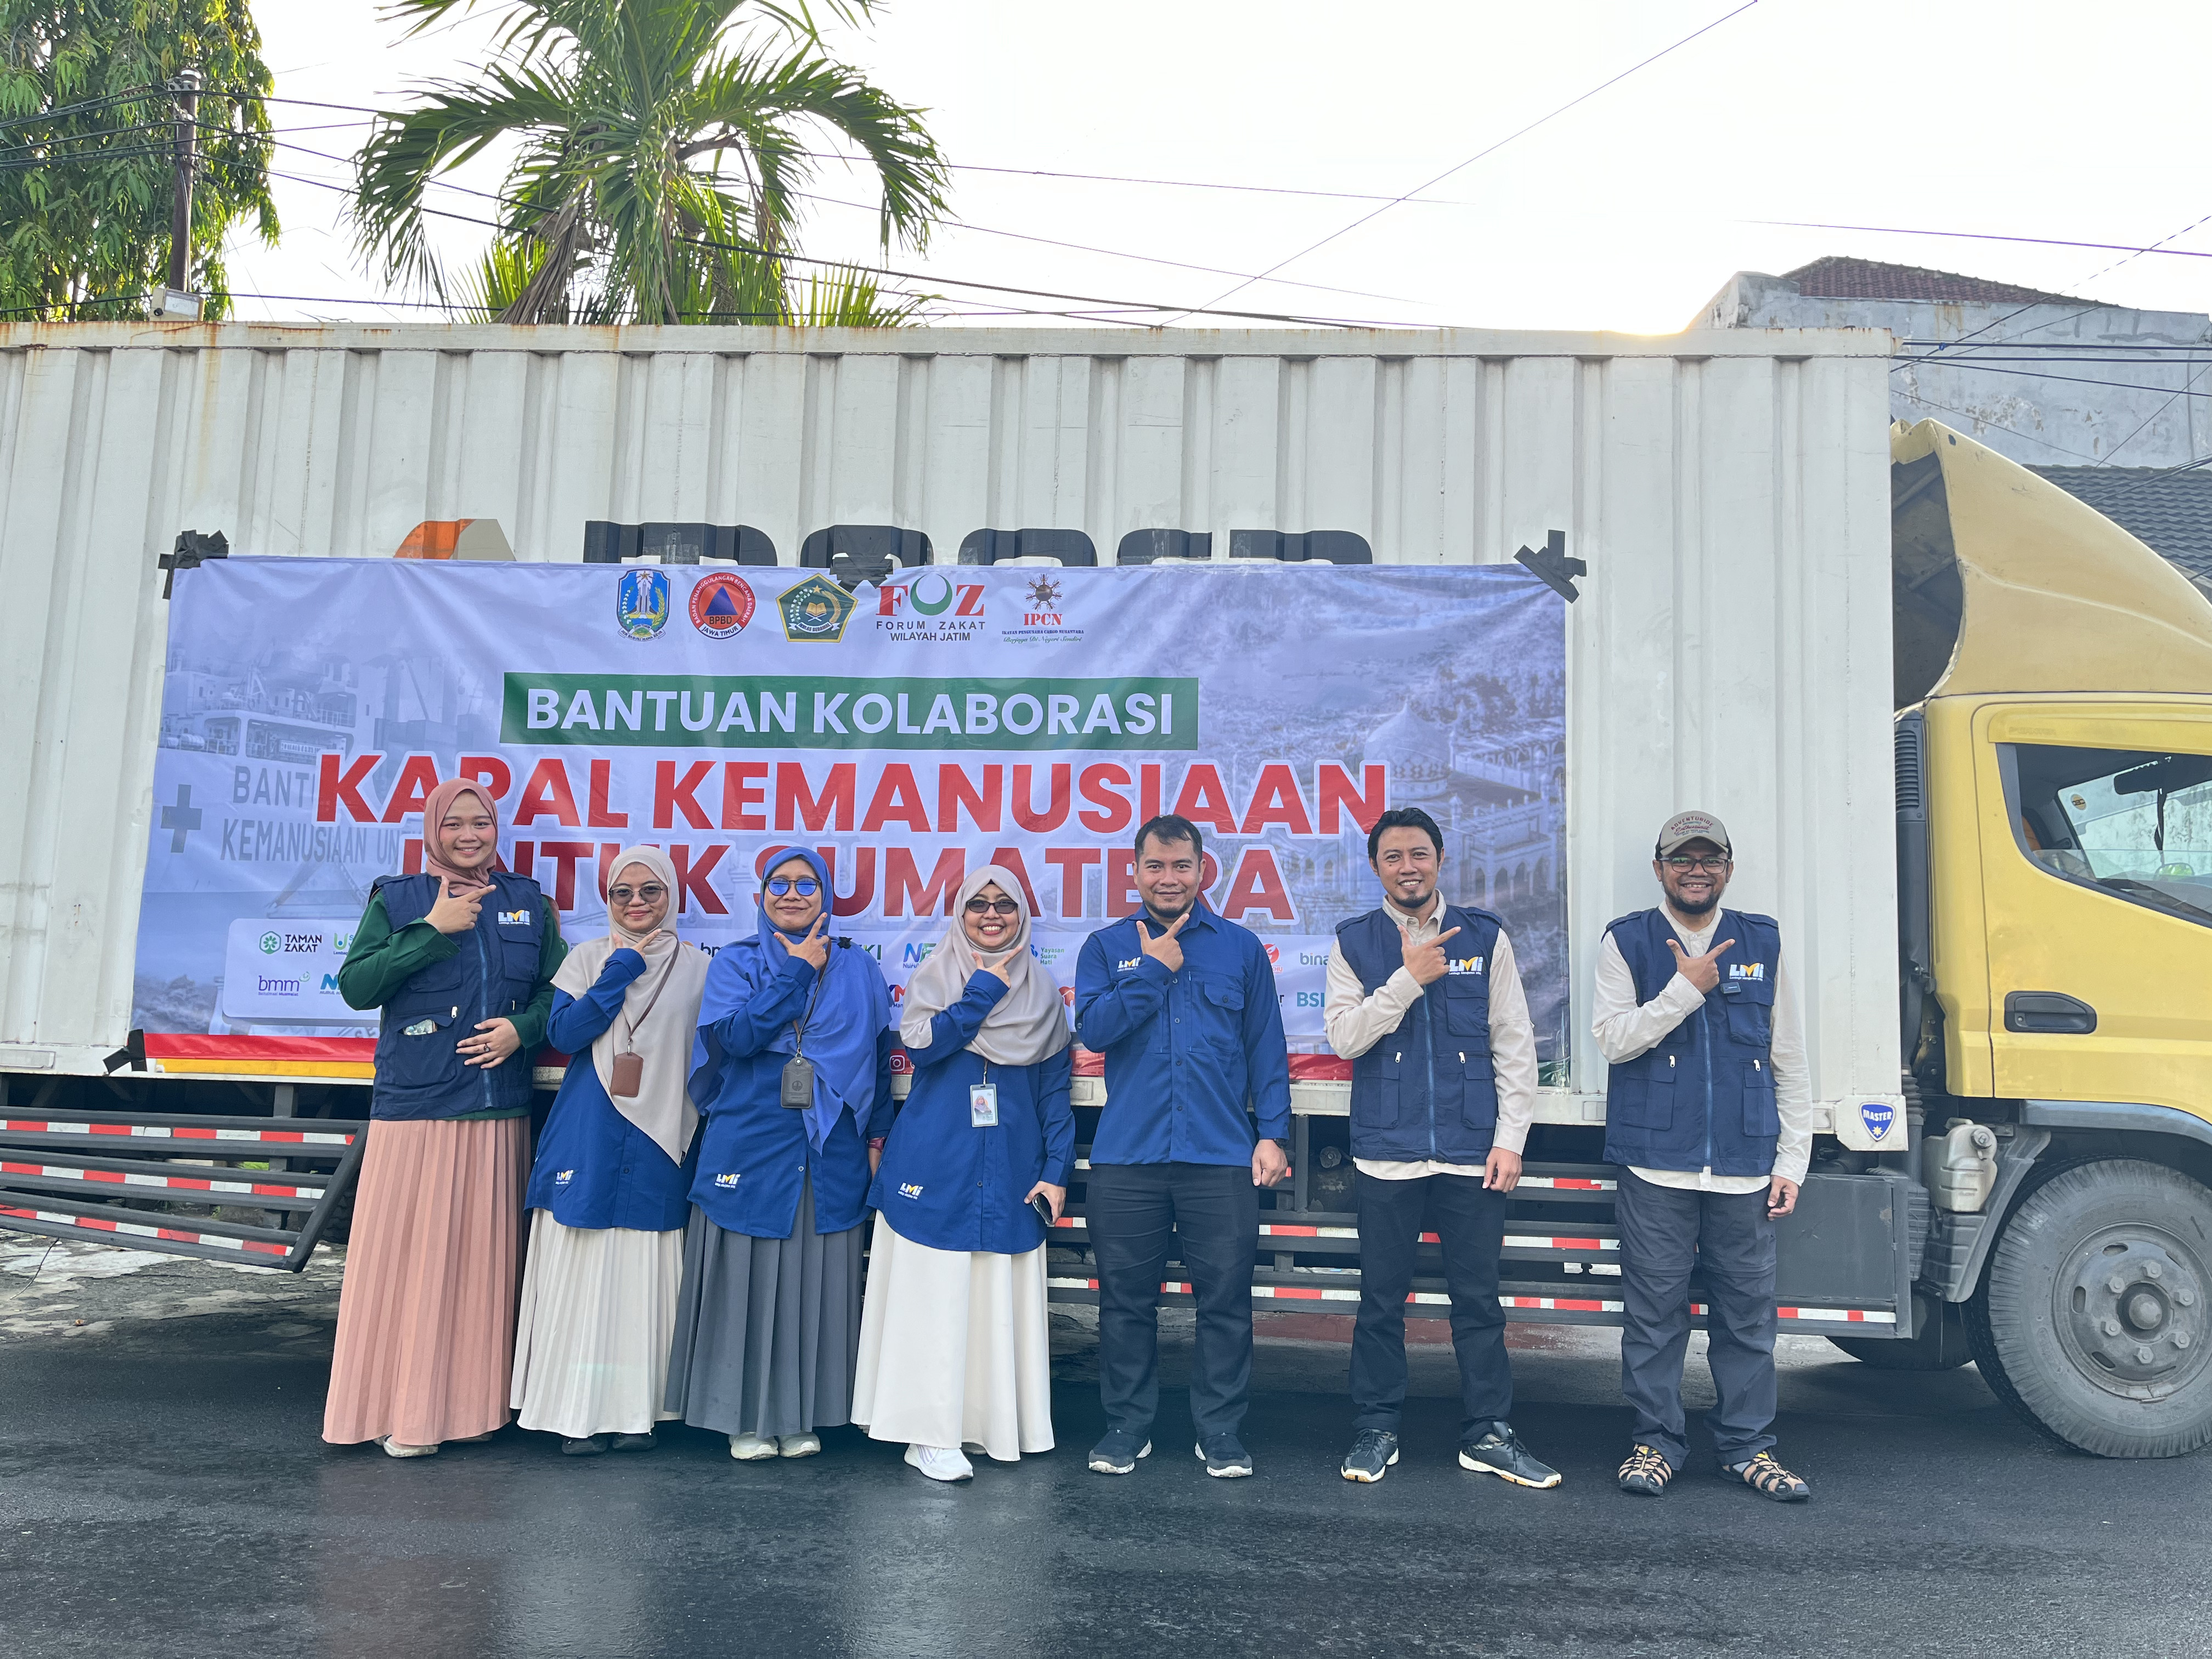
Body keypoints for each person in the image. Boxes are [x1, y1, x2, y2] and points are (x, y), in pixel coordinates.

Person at [325, 778, 566, 1457]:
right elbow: (355, 987)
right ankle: (393, 1412)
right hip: (416, 1110)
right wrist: (433, 931)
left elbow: (558, 989)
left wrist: (523, 1029)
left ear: (497, 829)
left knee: (477, 1270)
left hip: (496, 1113)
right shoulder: (398, 898)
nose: (469, 835)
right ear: (432, 830)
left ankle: (468, 1412)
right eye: (455, 823)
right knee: (405, 1265)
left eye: (481, 822)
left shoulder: (528, 902)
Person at [1324, 806, 1561, 1489]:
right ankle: (1376, 1428)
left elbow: (1513, 1043)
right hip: (1386, 1153)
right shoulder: (1355, 943)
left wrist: (1510, 1140)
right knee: (1380, 1303)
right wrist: (1407, 978)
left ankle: (1487, 1433)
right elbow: (1345, 1040)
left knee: (1480, 1304)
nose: (1408, 867)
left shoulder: (1486, 938)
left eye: (1419, 854)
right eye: (1394, 856)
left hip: (1469, 1154)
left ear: (1440, 859)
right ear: (1376, 868)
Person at [1594, 810, 1814, 1503]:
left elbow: (1789, 1059)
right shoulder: (1627, 941)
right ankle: (1655, 1443)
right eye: (1682, 859)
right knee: (1655, 1314)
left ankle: (1748, 1448)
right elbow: (1614, 1041)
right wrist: (1685, 988)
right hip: (1656, 1163)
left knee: (1747, 1317)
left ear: (1728, 867)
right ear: (1660, 868)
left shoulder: (1762, 942)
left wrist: (1792, 1161)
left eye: (1709, 858)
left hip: (1746, 1165)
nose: (1696, 869)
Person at [1074, 814, 1292, 1480]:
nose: (1169, 878)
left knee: (1225, 1301)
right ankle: (1126, 1427)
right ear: (1134, 872)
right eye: (1155, 866)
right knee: (1125, 1301)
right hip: (1128, 1157)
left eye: (1182, 866)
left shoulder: (1241, 949)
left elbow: (1266, 1047)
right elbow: (1095, 1031)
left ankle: (1220, 1431)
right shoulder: (1107, 947)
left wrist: (1273, 1134)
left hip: (1220, 1155)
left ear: (1203, 871)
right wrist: (1149, 970)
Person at [665, 847, 894, 1461]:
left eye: (807, 884)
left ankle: (801, 1416)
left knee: (814, 1277)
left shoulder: (859, 969)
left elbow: (875, 1056)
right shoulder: (736, 963)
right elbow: (737, 1038)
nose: (793, 895)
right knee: (748, 1273)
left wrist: (877, 1139)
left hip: (831, 1146)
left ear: (827, 896)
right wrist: (796, 972)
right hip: (752, 1135)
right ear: (761, 895)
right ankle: (744, 1418)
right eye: (780, 884)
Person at [852, 866, 1075, 1482]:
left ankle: (984, 1425)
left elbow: (1055, 1095)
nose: (992, 914)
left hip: (1010, 1165)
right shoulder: (937, 977)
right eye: (978, 904)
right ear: (960, 913)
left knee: (988, 1299)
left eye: (1005, 904)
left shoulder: (1044, 994)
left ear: (1022, 916)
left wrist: (1056, 1172)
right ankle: (925, 1433)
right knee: (934, 1299)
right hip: (935, 1162)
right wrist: (980, 992)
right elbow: (924, 1048)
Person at [511, 846, 709, 1455]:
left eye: (650, 891)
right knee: (585, 1264)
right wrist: (619, 971)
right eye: (622, 893)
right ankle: (576, 1412)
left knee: (641, 1274)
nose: (637, 903)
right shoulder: (587, 958)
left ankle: (635, 1413)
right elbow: (566, 1034)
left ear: (671, 896)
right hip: (590, 1131)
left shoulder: (699, 968)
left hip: (660, 1137)